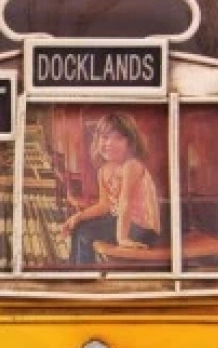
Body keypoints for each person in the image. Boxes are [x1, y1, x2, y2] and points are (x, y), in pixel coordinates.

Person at [60, 112, 162, 264]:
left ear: (130, 143)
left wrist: (122, 238)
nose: (109, 143)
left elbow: (125, 203)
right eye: (105, 137)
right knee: (79, 226)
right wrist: (78, 217)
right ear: (97, 140)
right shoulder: (103, 171)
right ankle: (75, 270)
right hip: (122, 222)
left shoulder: (131, 166)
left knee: (85, 233)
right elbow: (104, 205)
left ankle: (83, 272)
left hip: (144, 229)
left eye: (118, 138)